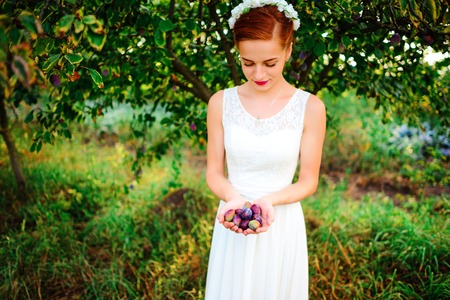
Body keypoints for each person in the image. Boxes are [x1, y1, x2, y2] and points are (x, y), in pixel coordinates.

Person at [204, 0, 326, 299]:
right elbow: (214, 173)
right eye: (248, 63)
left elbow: (308, 181)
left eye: (270, 63)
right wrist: (233, 198)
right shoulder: (220, 102)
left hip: (281, 224)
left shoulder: (310, 107)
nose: (258, 73)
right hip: (232, 220)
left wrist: (268, 203)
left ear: (288, 49)